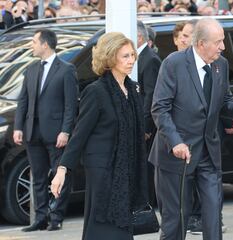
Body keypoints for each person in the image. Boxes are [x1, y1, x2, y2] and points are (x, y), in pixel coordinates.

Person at [149, 18, 233, 240]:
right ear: (201, 43)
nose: (223, 47)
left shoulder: (220, 64)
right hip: (176, 156)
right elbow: (160, 109)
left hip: (208, 154)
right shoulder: (173, 63)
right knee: (176, 219)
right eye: (218, 41)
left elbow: (224, 104)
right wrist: (176, 142)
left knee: (213, 214)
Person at [51, 32, 148, 240]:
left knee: (121, 226)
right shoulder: (96, 92)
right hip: (102, 171)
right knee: (103, 225)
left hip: (127, 168)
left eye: (132, 55)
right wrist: (62, 170)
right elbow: (79, 135)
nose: (131, 60)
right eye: (125, 56)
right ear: (110, 57)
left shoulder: (132, 90)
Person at [13, 29, 78, 232]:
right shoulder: (31, 69)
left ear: (45, 44)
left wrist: (66, 130)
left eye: (34, 42)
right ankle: (40, 218)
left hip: (56, 133)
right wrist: (18, 127)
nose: (31, 45)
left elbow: (71, 104)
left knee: (60, 175)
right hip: (33, 131)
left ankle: (56, 217)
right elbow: (23, 101)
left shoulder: (66, 69)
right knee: (38, 177)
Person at [137, 20, 162, 206]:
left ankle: (149, 202)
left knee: (148, 166)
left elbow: (151, 94)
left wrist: (146, 126)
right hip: (140, 120)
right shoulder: (140, 57)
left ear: (139, 37)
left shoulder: (150, 58)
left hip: (148, 124)